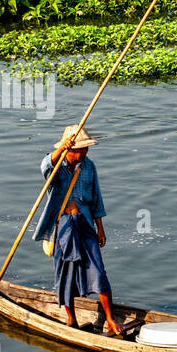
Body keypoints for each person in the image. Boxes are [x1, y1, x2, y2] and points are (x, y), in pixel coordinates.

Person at [32, 124, 122, 336]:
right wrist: (61, 148)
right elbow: (45, 165)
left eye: (85, 149)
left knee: (98, 271)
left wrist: (100, 228)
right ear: (69, 150)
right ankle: (71, 318)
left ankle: (110, 318)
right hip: (63, 224)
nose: (84, 152)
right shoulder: (57, 166)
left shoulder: (89, 167)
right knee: (65, 273)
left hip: (85, 223)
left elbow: (97, 199)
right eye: (80, 149)